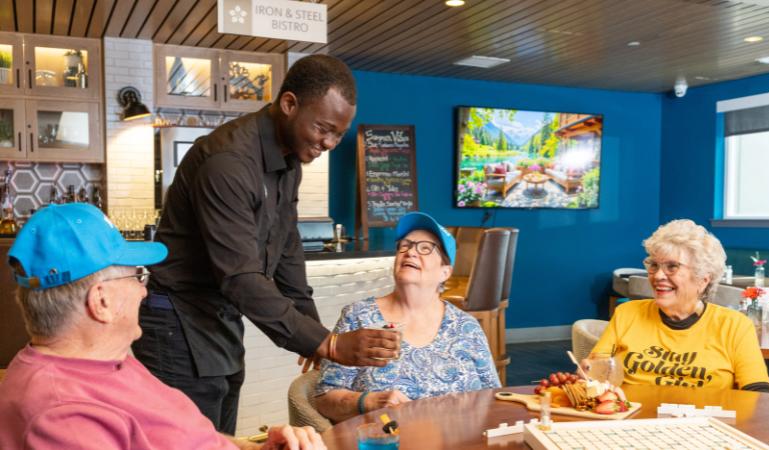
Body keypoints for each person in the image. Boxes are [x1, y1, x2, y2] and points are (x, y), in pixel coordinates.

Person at [134, 54, 400, 434]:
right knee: (189, 441)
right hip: (177, 320)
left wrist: (312, 334)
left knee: (220, 439)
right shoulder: (228, 161)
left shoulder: (287, 161)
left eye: (339, 134)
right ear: (290, 104)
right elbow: (240, 277)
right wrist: (330, 344)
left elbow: (287, 250)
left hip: (218, 320)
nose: (330, 143)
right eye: (323, 128)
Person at [0, 203, 326, 450]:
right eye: (138, 275)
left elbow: (186, 438)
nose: (145, 290)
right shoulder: (63, 414)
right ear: (101, 302)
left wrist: (255, 447)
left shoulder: (109, 361)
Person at [314, 212, 501, 423]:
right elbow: (324, 398)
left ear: (445, 272)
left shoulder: (467, 327)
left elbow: (494, 398)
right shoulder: (358, 316)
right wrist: (368, 402)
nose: (411, 252)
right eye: (405, 245)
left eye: (425, 248)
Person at [589, 219, 769, 392]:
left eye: (672, 267)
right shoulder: (626, 314)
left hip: (704, 422)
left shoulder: (735, 326)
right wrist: (590, 376)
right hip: (632, 419)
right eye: (654, 265)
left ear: (702, 280)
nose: (658, 276)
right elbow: (594, 375)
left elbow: (758, 395)